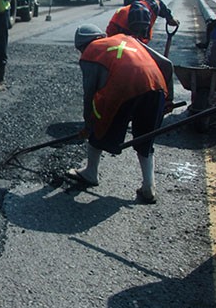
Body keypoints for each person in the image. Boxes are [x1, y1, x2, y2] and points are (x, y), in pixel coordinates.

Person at [69, 24, 174, 204]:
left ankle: (90, 172)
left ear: (82, 46)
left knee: (99, 121)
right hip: (155, 86)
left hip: (123, 89)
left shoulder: (90, 53)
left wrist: (88, 124)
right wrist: (168, 99)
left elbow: (90, 94)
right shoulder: (128, 38)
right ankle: (149, 186)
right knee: (145, 137)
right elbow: (167, 64)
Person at [105, 0, 179, 44]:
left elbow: (158, 2)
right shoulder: (117, 21)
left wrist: (170, 18)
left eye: (141, 32)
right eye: (137, 32)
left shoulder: (152, 7)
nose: (138, 34)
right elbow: (109, 41)